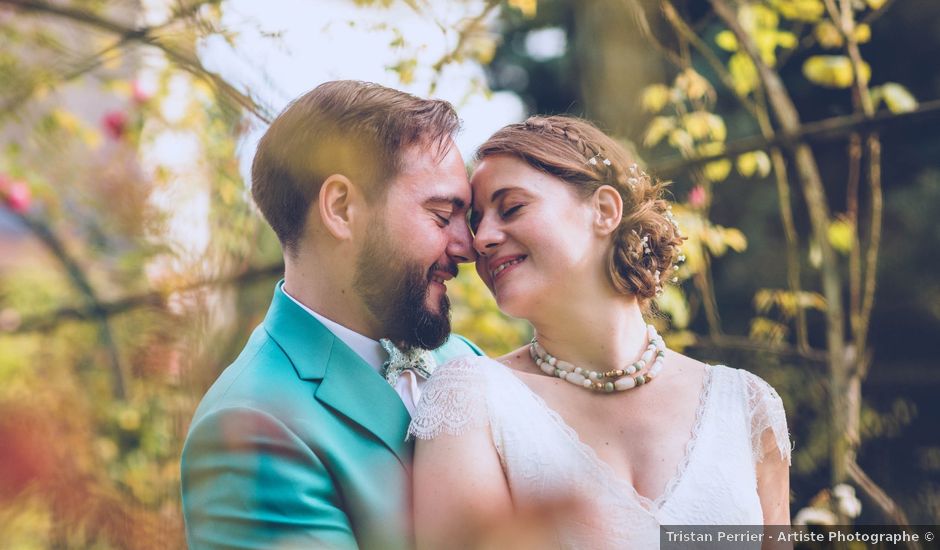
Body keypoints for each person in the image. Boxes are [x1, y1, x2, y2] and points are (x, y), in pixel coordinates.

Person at [410, 115, 791, 549]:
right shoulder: (471, 399)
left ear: (605, 210)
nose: (481, 240)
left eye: (512, 207)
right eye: (478, 223)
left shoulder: (746, 406)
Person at [180, 80, 483, 550]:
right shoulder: (251, 427)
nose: (468, 248)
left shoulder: (464, 360)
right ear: (341, 208)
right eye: (442, 216)